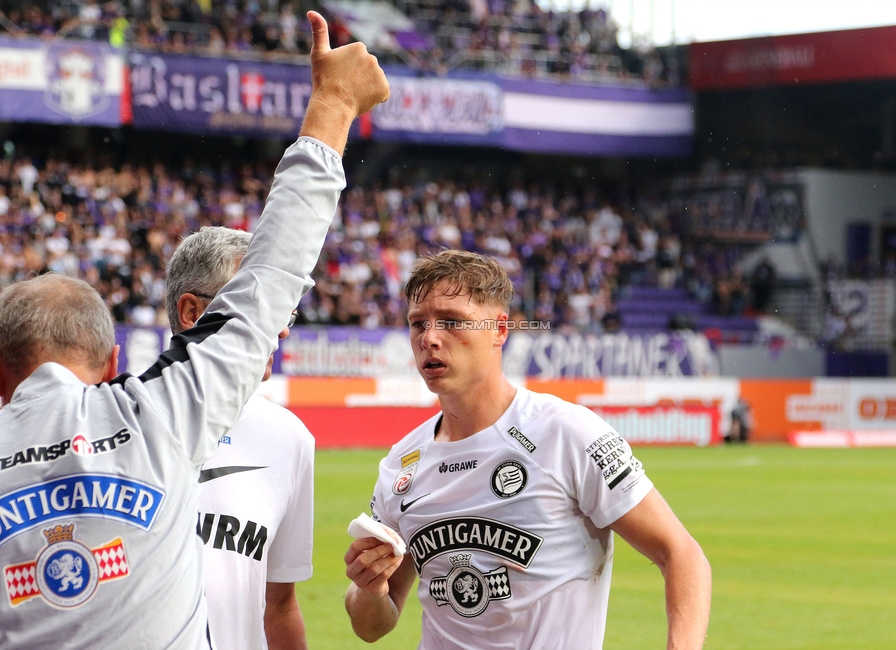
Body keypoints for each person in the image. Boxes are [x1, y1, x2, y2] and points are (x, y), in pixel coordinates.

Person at [0, 12, 388, 648]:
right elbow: (274, 272)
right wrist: (334, 104)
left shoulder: (265, 434)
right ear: (110, 364)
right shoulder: (159, 413)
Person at [343, 250, 711, 649]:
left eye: (452, 321)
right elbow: (372, 627)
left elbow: (681, 554)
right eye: (418, 324)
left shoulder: (566, 432)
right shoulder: (402, 462)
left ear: (499, 330)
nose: (429, 338)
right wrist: (370, 590)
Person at [165, 226, 314, 650]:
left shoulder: (289, 438)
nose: (281, 331)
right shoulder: (117, 421)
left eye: (284, 313)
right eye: (260, 307)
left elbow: (280, 605)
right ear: (192, 313)